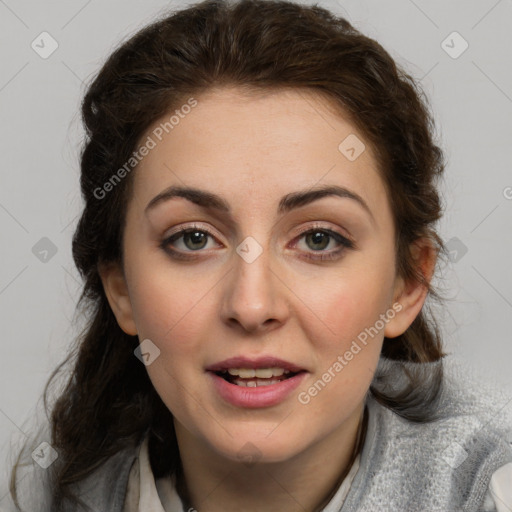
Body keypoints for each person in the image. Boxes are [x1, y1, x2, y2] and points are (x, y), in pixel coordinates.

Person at [5, 0, 512, 510]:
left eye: (319, 239)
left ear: (406, 285)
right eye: (193, 239)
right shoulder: (51, 490)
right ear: (121, 290)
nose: (251, 306)